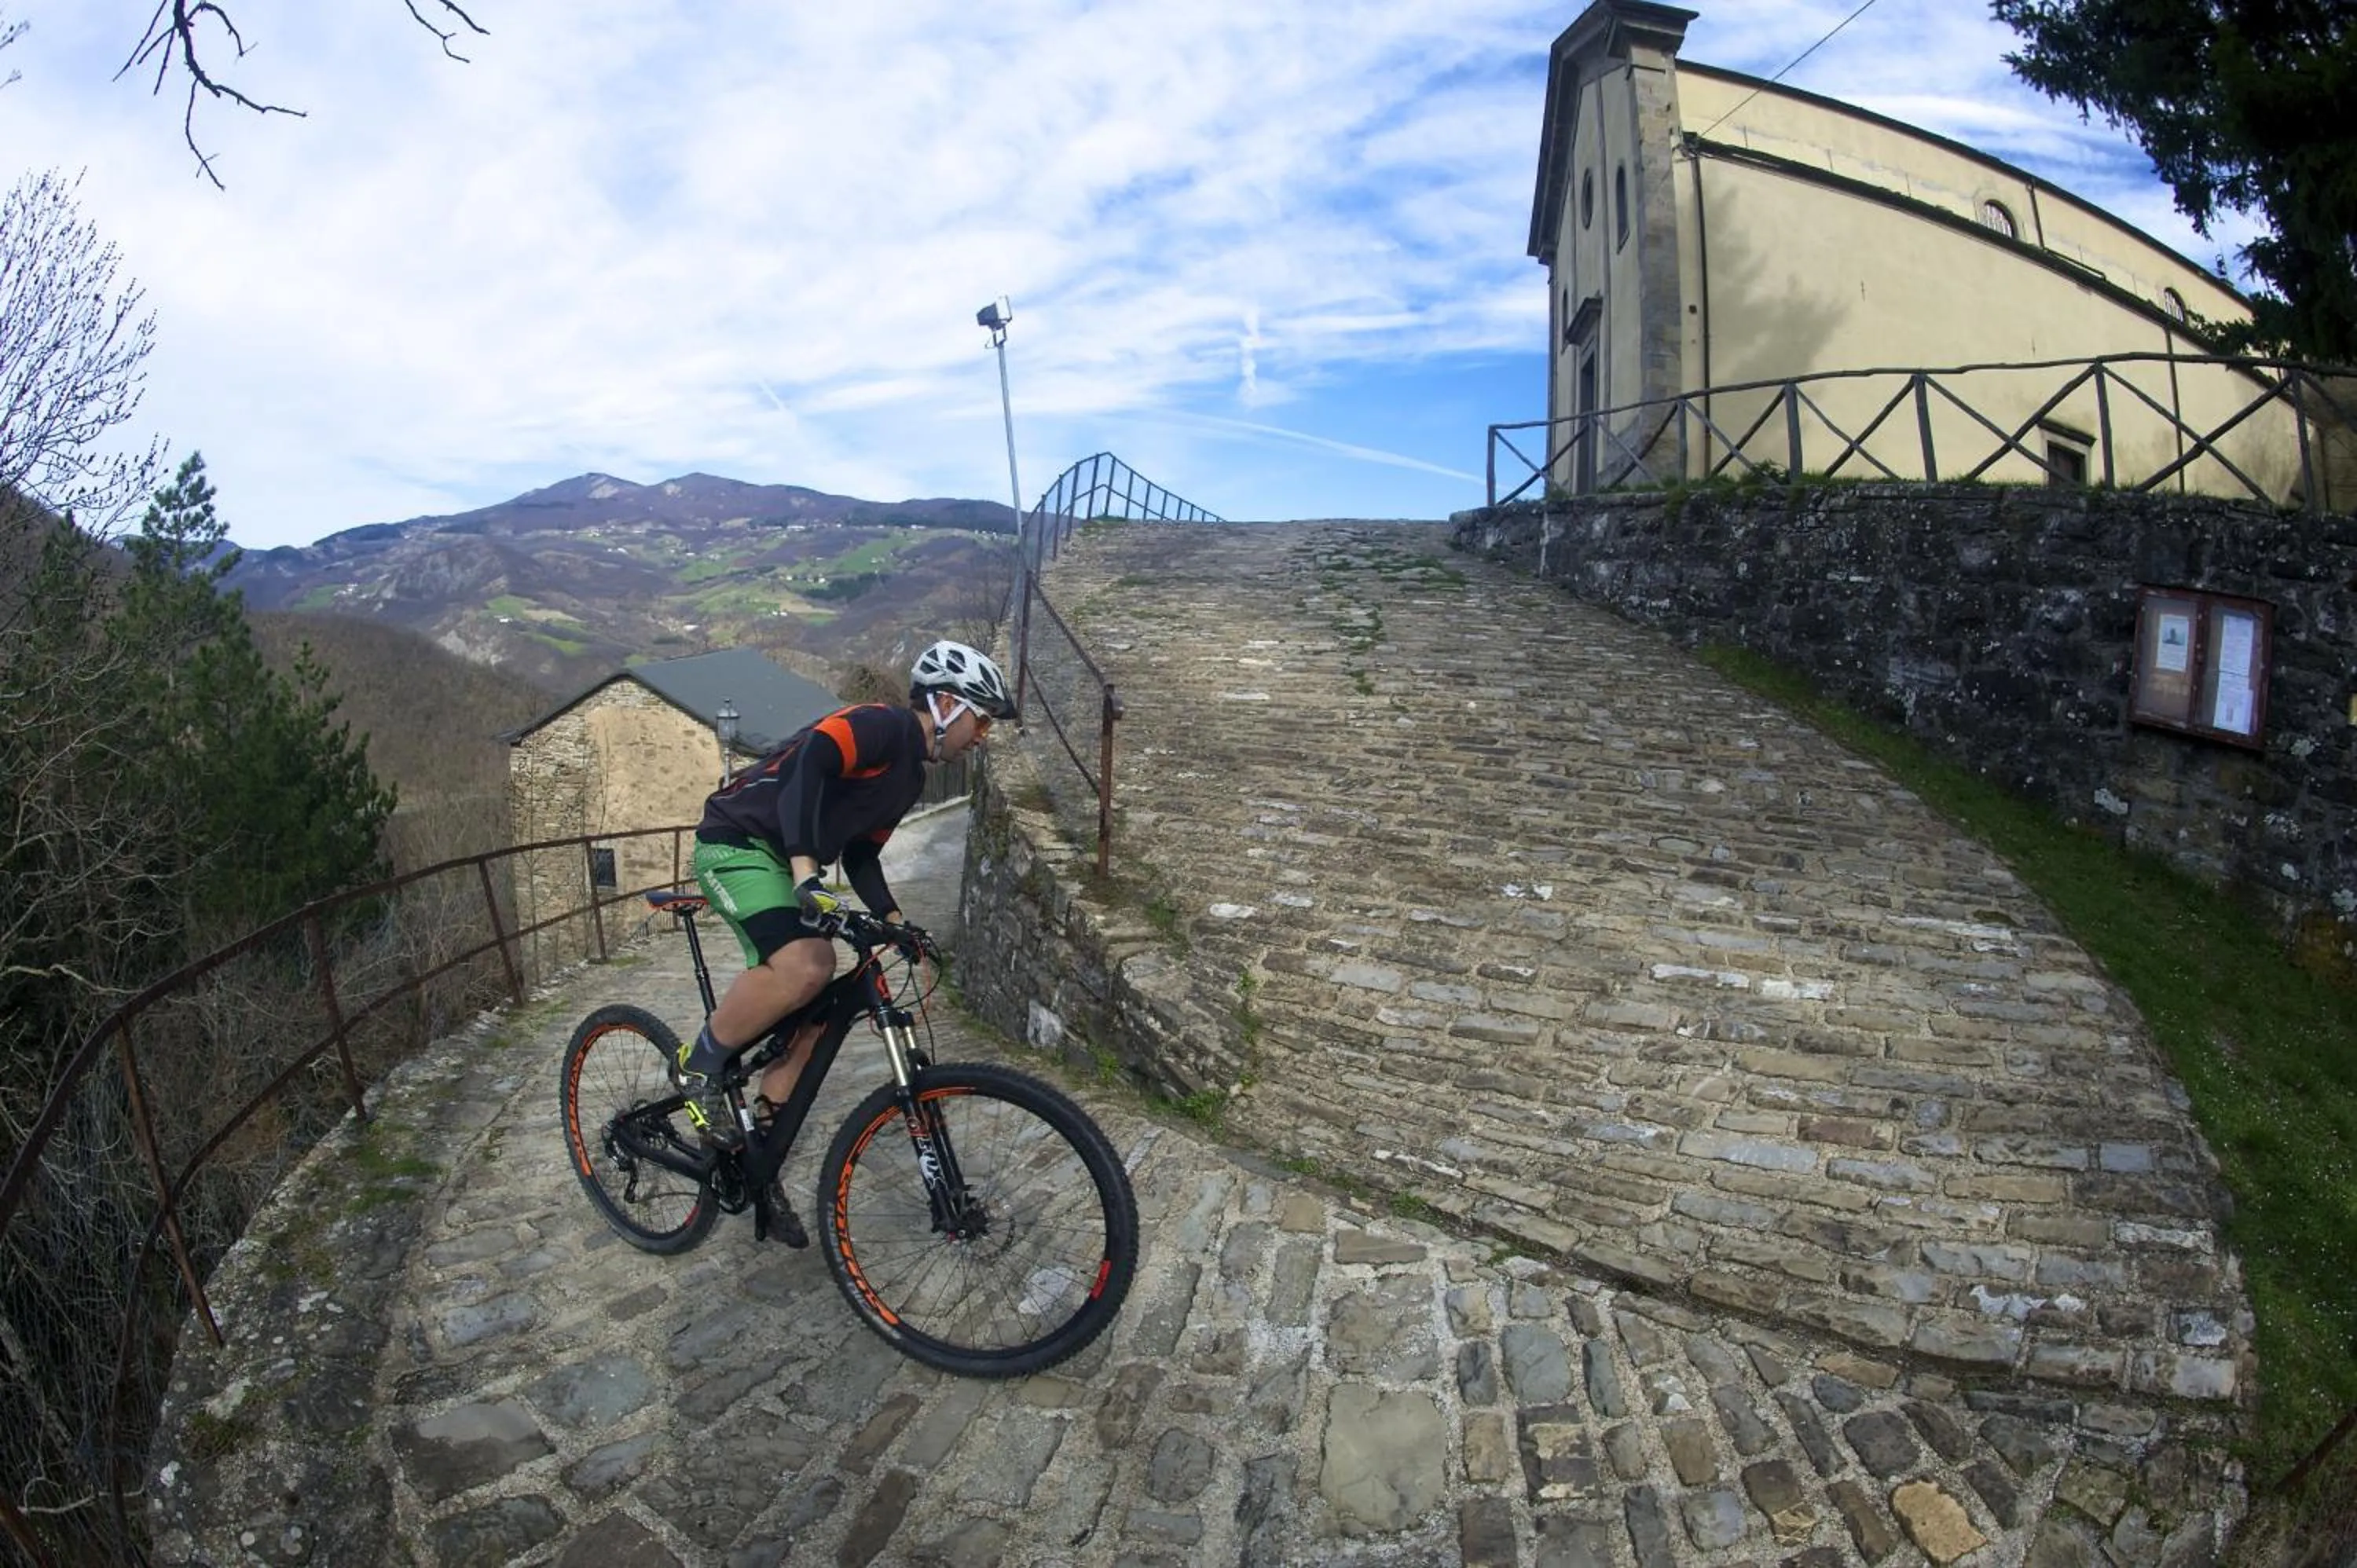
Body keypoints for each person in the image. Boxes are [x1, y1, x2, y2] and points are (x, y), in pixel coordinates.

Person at [672, 638, 1014, 1153]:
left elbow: (861, 857)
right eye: (982, 722)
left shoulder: (907, 781)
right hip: (737, 841)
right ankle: (698, 1065)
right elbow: (812, 761)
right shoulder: (882, 726)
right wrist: (807, 872)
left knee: (816, 1022)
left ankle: (756, 1152)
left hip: (787, 861)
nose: (980, 738)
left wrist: (896, 922)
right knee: (808, 964)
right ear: (947, 706)